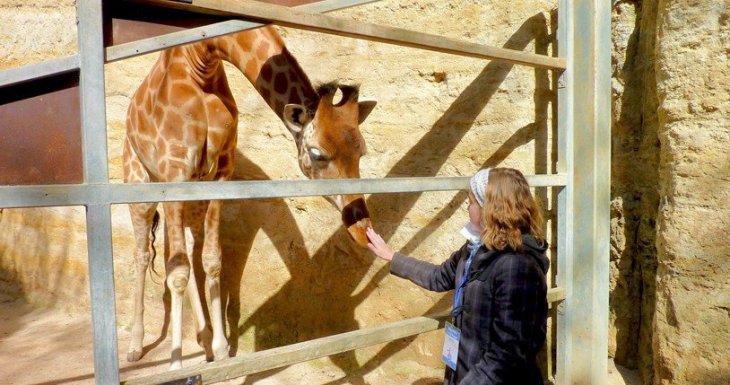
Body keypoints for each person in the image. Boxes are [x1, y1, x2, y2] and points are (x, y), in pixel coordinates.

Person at [366, 167, 549, 385]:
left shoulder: (517, 266)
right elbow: (438, 276)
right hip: (465, 372)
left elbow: (509, 352)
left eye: (471, 202)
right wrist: (391, 256)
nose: (467, 207)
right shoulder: (474, 250)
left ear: (490, 209)